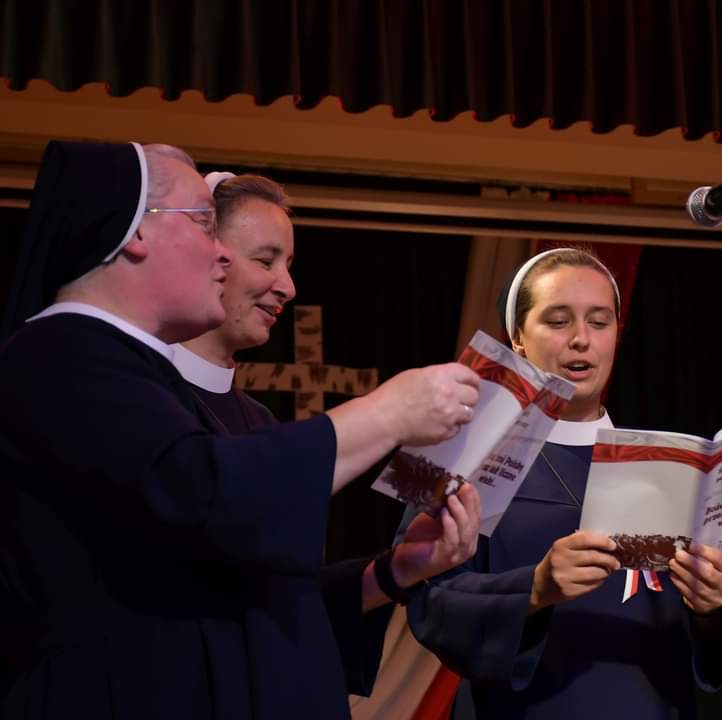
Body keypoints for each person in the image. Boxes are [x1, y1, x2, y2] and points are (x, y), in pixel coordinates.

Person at [0, 141, 482, 720]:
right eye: (205, 225)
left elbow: (253, 599)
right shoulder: (64, 354)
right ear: (136, 229)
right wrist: (387, 412)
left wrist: (396, 569)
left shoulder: (123, 369)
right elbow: (201, 492)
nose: (220, 255)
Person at [166, 171, 483, 716]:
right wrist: (389, 412)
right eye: (266, 261)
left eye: (288, 265)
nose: (287, 287)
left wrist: (400, 569)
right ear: (205, 257)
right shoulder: (147, 402)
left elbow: (285, 602)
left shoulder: (258, 420)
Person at [402, 248, 722, 719]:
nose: (581, 340)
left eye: (599, 322)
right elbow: (426, 601)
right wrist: (534, 588)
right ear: (518, 338)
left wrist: (711, 607)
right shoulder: (463, 456)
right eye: (558, 321)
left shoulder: (673, 466)